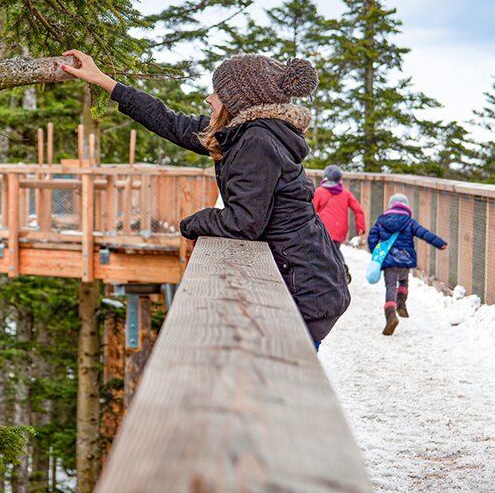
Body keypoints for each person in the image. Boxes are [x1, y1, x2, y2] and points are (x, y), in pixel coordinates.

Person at [61, 49, 350, 347]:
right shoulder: (240, 133)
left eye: (217, 92)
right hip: (301, 278)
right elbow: (171, 123)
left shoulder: (257, 142)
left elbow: (243, 221)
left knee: (281, 381)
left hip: (304, 288)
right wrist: (106, 82)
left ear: (238, 101)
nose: (209, 98)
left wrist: (191, 224)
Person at [367, 193, 447, 336]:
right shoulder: (409, 221)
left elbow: (372, 237)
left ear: (391, 206)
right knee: (403, 281)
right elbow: (423, 233)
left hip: (389, 260)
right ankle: (401, 303)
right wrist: (439, 243)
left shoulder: (381, 220)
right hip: (405, 259)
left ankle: (391, 315)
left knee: (390, 286)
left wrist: (376, 253)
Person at [313, 165, 366, 248]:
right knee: (335, 252)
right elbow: (358, 210)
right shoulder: (346, 194)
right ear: (339, 179)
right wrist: (360, 227)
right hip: (339, 231)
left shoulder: (318, 192)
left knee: (324, 254)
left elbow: (310, 211)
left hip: (322, 230)